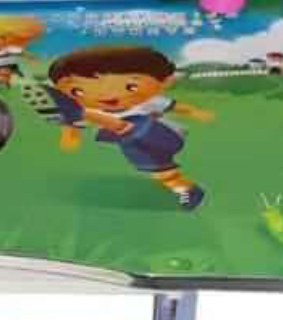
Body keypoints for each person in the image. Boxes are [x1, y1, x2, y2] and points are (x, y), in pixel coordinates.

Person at [48, 44, 215, 210]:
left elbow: (174, 106)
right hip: (135, 146)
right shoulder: (91, 110)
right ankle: (187, 190)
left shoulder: (147, 102)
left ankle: (115, 125)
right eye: (78, 91)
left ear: (164, 82)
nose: (105, 95)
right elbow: (73, 125)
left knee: (133, 124)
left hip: (164, 136)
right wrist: (70, 134)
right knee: (163, 174)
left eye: (131, 87)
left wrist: (195, 112)